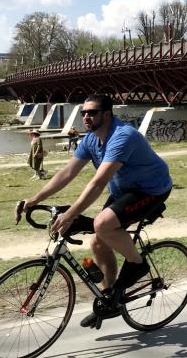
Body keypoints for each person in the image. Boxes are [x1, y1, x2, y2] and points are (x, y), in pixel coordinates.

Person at [17, 93, 172, 328]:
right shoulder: (91, 139)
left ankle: (138, 264)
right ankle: (109, 298)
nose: (86, 116)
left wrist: (70, 215)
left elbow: (98, 183)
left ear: (107, 114)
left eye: (92, 112)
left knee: (102, 224)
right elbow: (66, 174)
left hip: (152, 189)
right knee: (98, 242)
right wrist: (33, 199)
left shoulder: (122, 136)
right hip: (125, 191)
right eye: (83, 113)